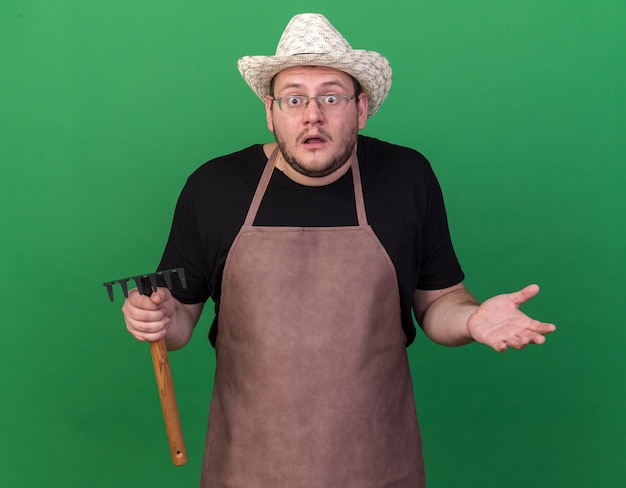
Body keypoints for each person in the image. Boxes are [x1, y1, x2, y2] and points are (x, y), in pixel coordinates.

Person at [122, 13, 556, 488]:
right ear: (270, 111)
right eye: (294, 98)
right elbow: (180, 316)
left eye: (331, 96)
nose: (313, 114)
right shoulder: (213, 188)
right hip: (246, 469)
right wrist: (158, 319)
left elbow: (438, 303)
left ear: (362, 107)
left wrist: (471, 319)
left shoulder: (406, 178)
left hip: (378, 468)